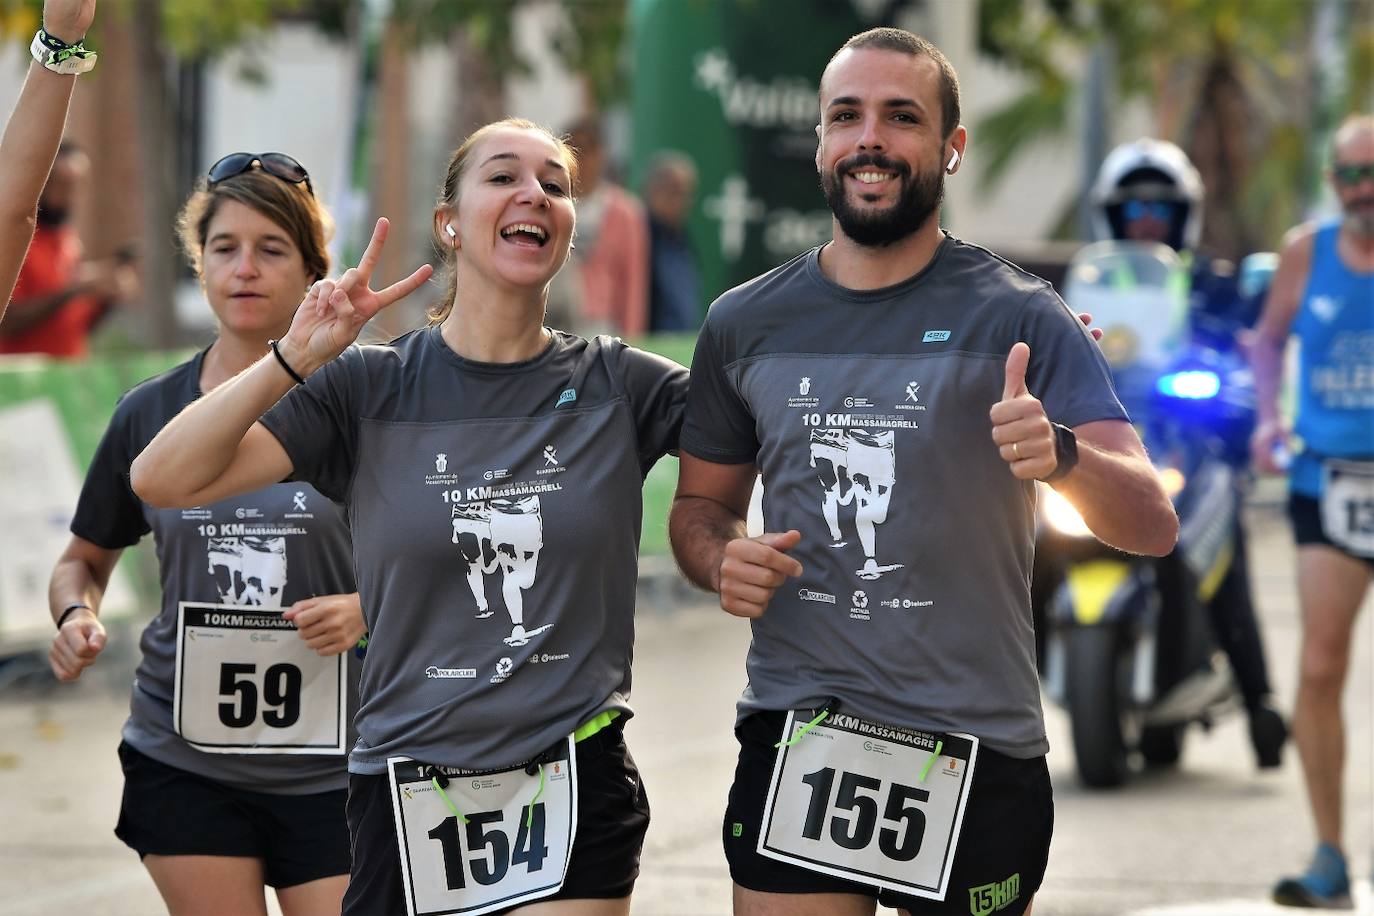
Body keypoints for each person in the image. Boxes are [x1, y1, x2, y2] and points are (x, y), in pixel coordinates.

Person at [669, 28, 1178, 916]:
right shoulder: (741, 323)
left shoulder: (1023, 316)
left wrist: (1061, 455)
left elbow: (1151, 522)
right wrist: (719, 558)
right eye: (846, 116)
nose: (870, 138)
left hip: (975, 742)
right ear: (822, 142)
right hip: (802, 728)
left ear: (951, 146)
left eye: (902, 117)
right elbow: (699, 509)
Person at [130, 118, 689, 916]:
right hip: (405, 784)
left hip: (573, 776)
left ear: (566, 230)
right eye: (504, 176)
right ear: (449, 223)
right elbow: (161, 477)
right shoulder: (366, 386)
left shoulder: (622, 384)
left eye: (555, 185)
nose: (534, 194)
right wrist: (296, 355)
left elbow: (769, 437)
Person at [47, 152, 364, 916]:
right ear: (200, 263)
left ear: (313, 269)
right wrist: (76, 615)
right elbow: (82, 560)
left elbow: (443, 558)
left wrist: (368, 607)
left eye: (271, 248)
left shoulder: (363, 403)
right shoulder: (150, 413)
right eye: (224, 248)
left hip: (339, 769)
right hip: (184, 764)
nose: (244, 269)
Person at [1090, 137, 1288, 768]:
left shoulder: (1214, 284)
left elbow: (1247, 352)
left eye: (1161, 206)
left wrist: (1231, 383)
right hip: (1115, 436)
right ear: (1113, 214)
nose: (1148, 218)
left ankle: (1260, 700)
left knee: (1222, 540)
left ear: (1184, 214)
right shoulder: (1091, 285)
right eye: (1135, 206)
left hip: (1190, 441)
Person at [1249, 113, 1374, 910]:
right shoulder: (1306, 252)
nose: (1365, 190)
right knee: (1322, 664)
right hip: (1328, 482)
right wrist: (1269, 418)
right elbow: (1266, 341)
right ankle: (1330, 853)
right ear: (1334, 183)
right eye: (1351, 175)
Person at [0, 0, 98, 318]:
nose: (70, 197)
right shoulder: (31, 240)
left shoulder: (67, 242)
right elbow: (13, 212)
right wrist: (61, 38)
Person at [1, 141, 139, 356]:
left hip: (67, 372)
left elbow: (74, 324)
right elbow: (7, 322)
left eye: (76, 187)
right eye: (62, 186)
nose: (70, 197)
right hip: (20, 373)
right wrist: (72, 290)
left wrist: (107, 297)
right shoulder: (14, 239)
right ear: (41, 183)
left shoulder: (69, 241)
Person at [548, 114, 650, 337]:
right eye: (573, 149)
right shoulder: (548, 201)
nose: (581, 159)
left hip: (599, 325)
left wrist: (632, 338)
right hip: (550, 318)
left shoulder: (625, 212)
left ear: (602, 155)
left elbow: (633, 282)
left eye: (588, 150)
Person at [644, 150, 703, 332]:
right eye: (674, 192)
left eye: (687, 194)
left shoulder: (683, 240)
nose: (682, 201)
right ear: (653, 190)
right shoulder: (640, 237)